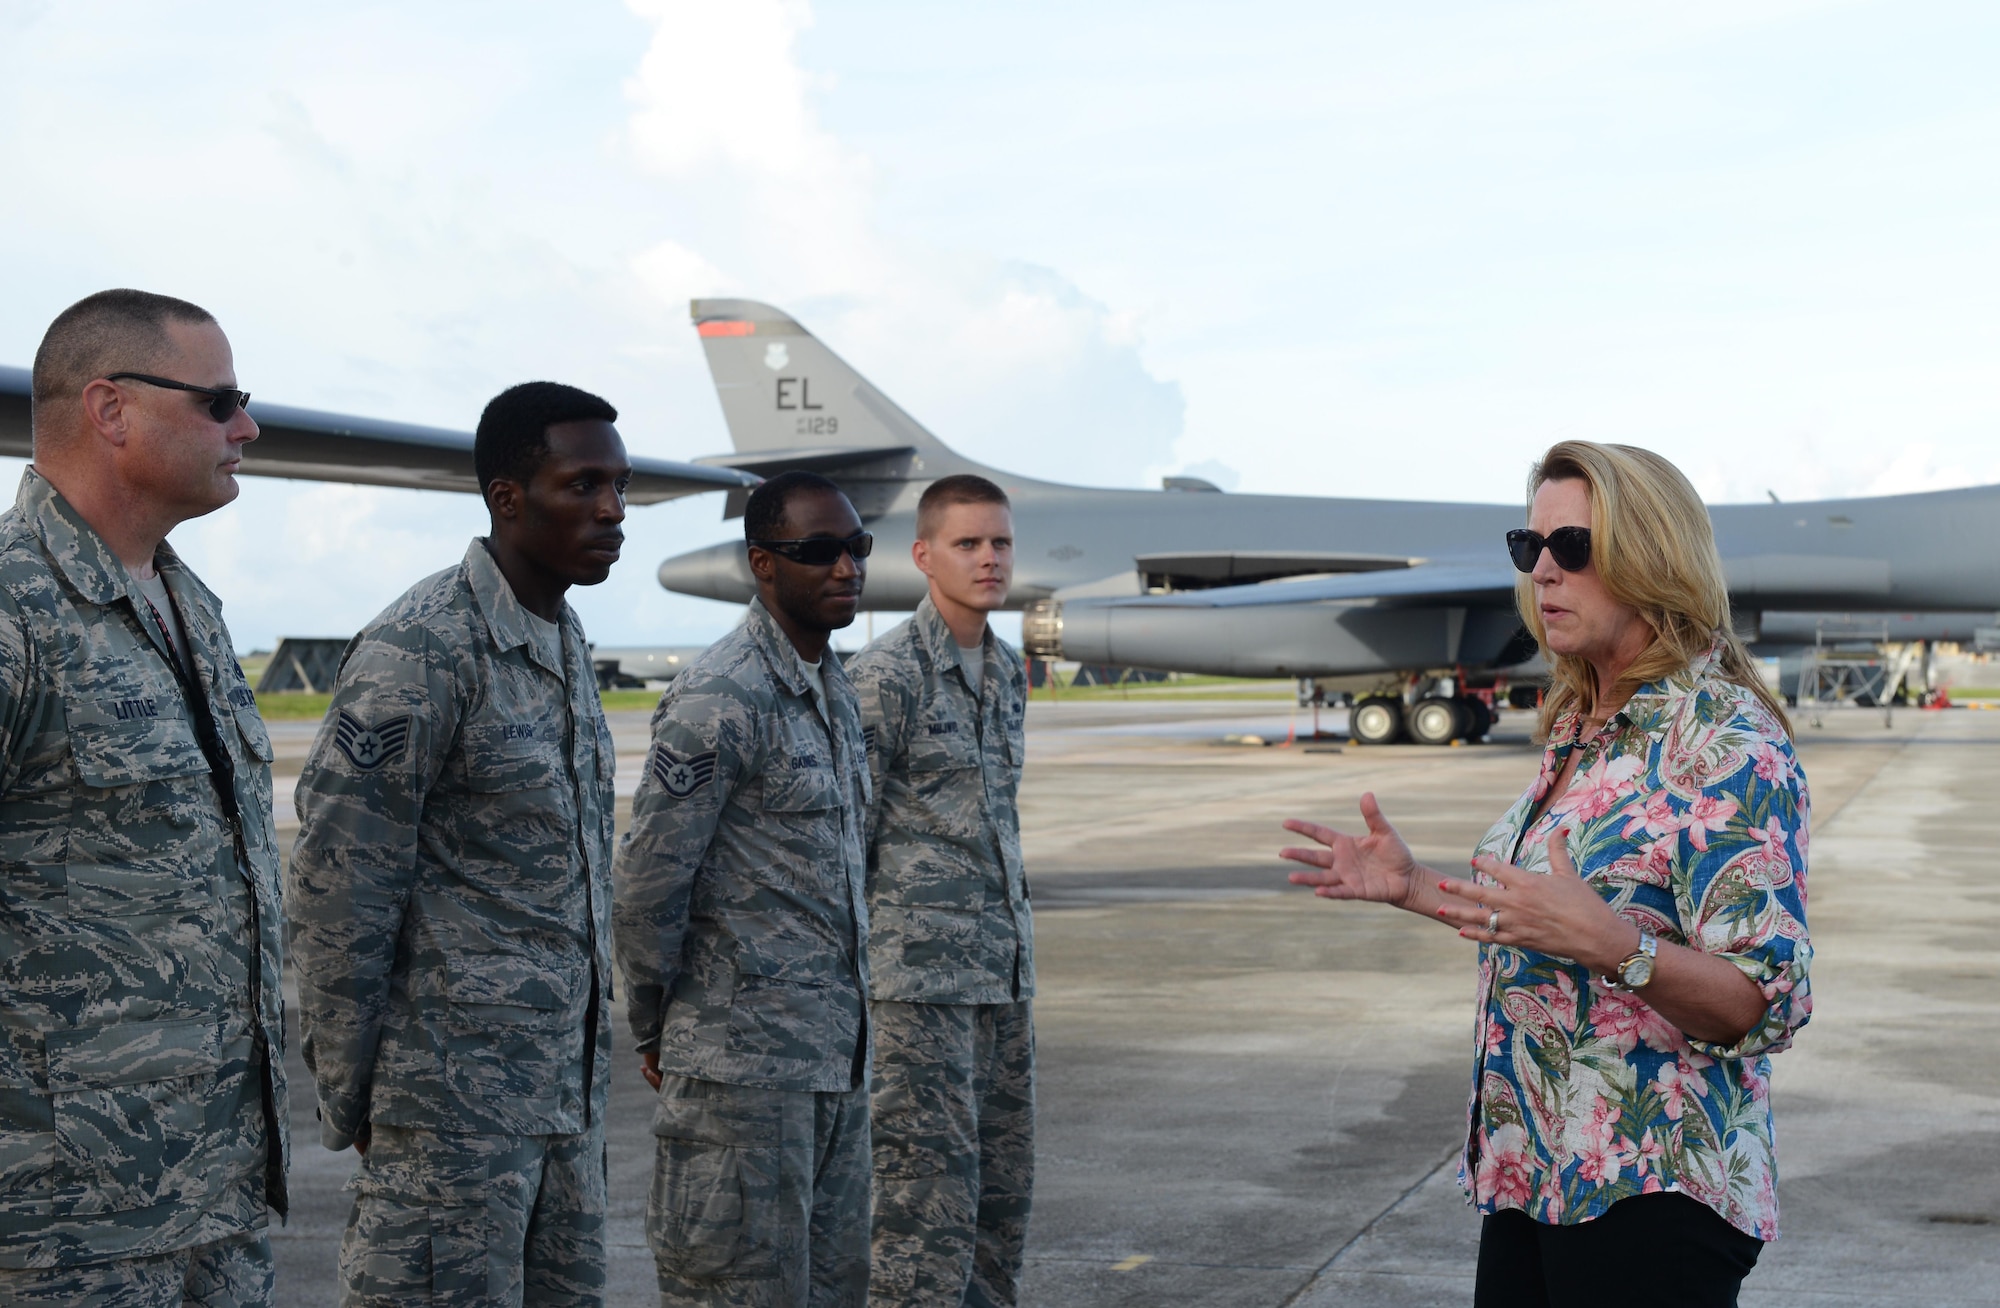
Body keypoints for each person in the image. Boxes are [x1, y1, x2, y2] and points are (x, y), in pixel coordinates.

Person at [1280, 441, 1812, 1308]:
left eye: (1574, 548)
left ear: (1653, 558)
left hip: (1652, 1187)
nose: (1545, 573)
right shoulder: (1585, 719)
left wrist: (1615, 945)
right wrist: (1413, 887)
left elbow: (1765, 1001)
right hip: (1538, 1169)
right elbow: (1543, 921)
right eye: (1530, 549)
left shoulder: (1721, 742)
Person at [287, 382, 629, 1307]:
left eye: (620, 487)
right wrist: (354, 1095)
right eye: (583, 485)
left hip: (563, 1108)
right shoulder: (425, 648)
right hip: (450, 1118)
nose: (613, 512)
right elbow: (340, 883)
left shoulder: (559, 636)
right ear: (507, 497)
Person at [0, 290, 287, 1305]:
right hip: (66, 1224)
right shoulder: (13, 607)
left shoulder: (186, 607)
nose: (246, 428)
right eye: (220, 402)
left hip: (214, 1195)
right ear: (110, 410)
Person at [613, 469, 874, 1307]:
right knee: (734, 1292)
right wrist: (657, 1024)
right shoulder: (721, 695)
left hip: (832, 1068)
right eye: (820, 551)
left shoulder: (832, 687)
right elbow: (651, 880)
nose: (846, 568)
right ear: (763, 564)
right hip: (740, 1078)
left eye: (857, 547)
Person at [845, 475, 1034, 1307]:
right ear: (923, 556)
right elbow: (845, 835)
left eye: (999, 543)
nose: (989, 559)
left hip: (1003, 979)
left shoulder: (1008, 670)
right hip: (917, 990)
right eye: (968, 544)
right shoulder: (883, 677)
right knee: (922, 1207)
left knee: (1002, 1194)